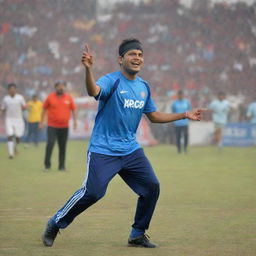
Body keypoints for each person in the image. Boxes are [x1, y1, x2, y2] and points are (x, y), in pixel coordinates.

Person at [42, 38, 205, 248]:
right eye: (132, 54)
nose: (137, 58)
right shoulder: (112, 80)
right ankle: (56, 222)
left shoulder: (144, 87)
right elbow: (94, 92)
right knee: (93, 192)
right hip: (103, 149)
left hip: (130, 150)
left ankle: (137, 234)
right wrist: (88, 70)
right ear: (121, 59)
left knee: (151, 187)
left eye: (140, 55)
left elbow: (154, 116)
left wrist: (184, 114)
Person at [40, 81, 77, 171]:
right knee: (50, 144)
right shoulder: (50, 97)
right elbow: (44, 109)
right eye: (59, 87)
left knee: (62, 146)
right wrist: (41, 122)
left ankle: (62, 166)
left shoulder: (68, 98)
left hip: (64, 126)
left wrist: (75, 121)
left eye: (63, 87)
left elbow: (74, 109)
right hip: (52, 126)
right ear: (55, 88)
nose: (61, 88)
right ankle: (47, 166)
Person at [1, 83, 26, 159]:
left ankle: (15, 146)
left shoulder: (20, 98)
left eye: (13, 89)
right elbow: (3, 109)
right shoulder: (5, 99)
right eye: (10, 89)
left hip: (19, 119)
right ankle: (11, 154)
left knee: (18, 136)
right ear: (8, 90)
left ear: (16, 90)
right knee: (10, 135)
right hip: (9, 119)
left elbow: (24, 107)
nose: (12, 91)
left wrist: (24, 108)